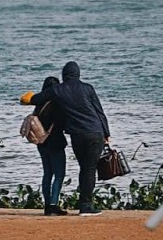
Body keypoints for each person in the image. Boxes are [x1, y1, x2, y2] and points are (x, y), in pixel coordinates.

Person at [22, 61, 110, 216]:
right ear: (78, 74)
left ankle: (80, 204)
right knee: (89, 169)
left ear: (64, 75)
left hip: (76, 135)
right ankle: (86, 205)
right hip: (94, 132)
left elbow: (35, 99)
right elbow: (99, 111)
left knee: (84, 168)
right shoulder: (88, 88)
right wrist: (107, 133)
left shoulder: (57, 90)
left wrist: (25, 97)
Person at [31, 76, 68, 216]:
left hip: (41, 143)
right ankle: (53, 204)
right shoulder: (56, 105)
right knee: (59, 174)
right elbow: (62, 124)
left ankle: (47, 205)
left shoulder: (38, 106)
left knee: (47, 173)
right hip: (56, 142)